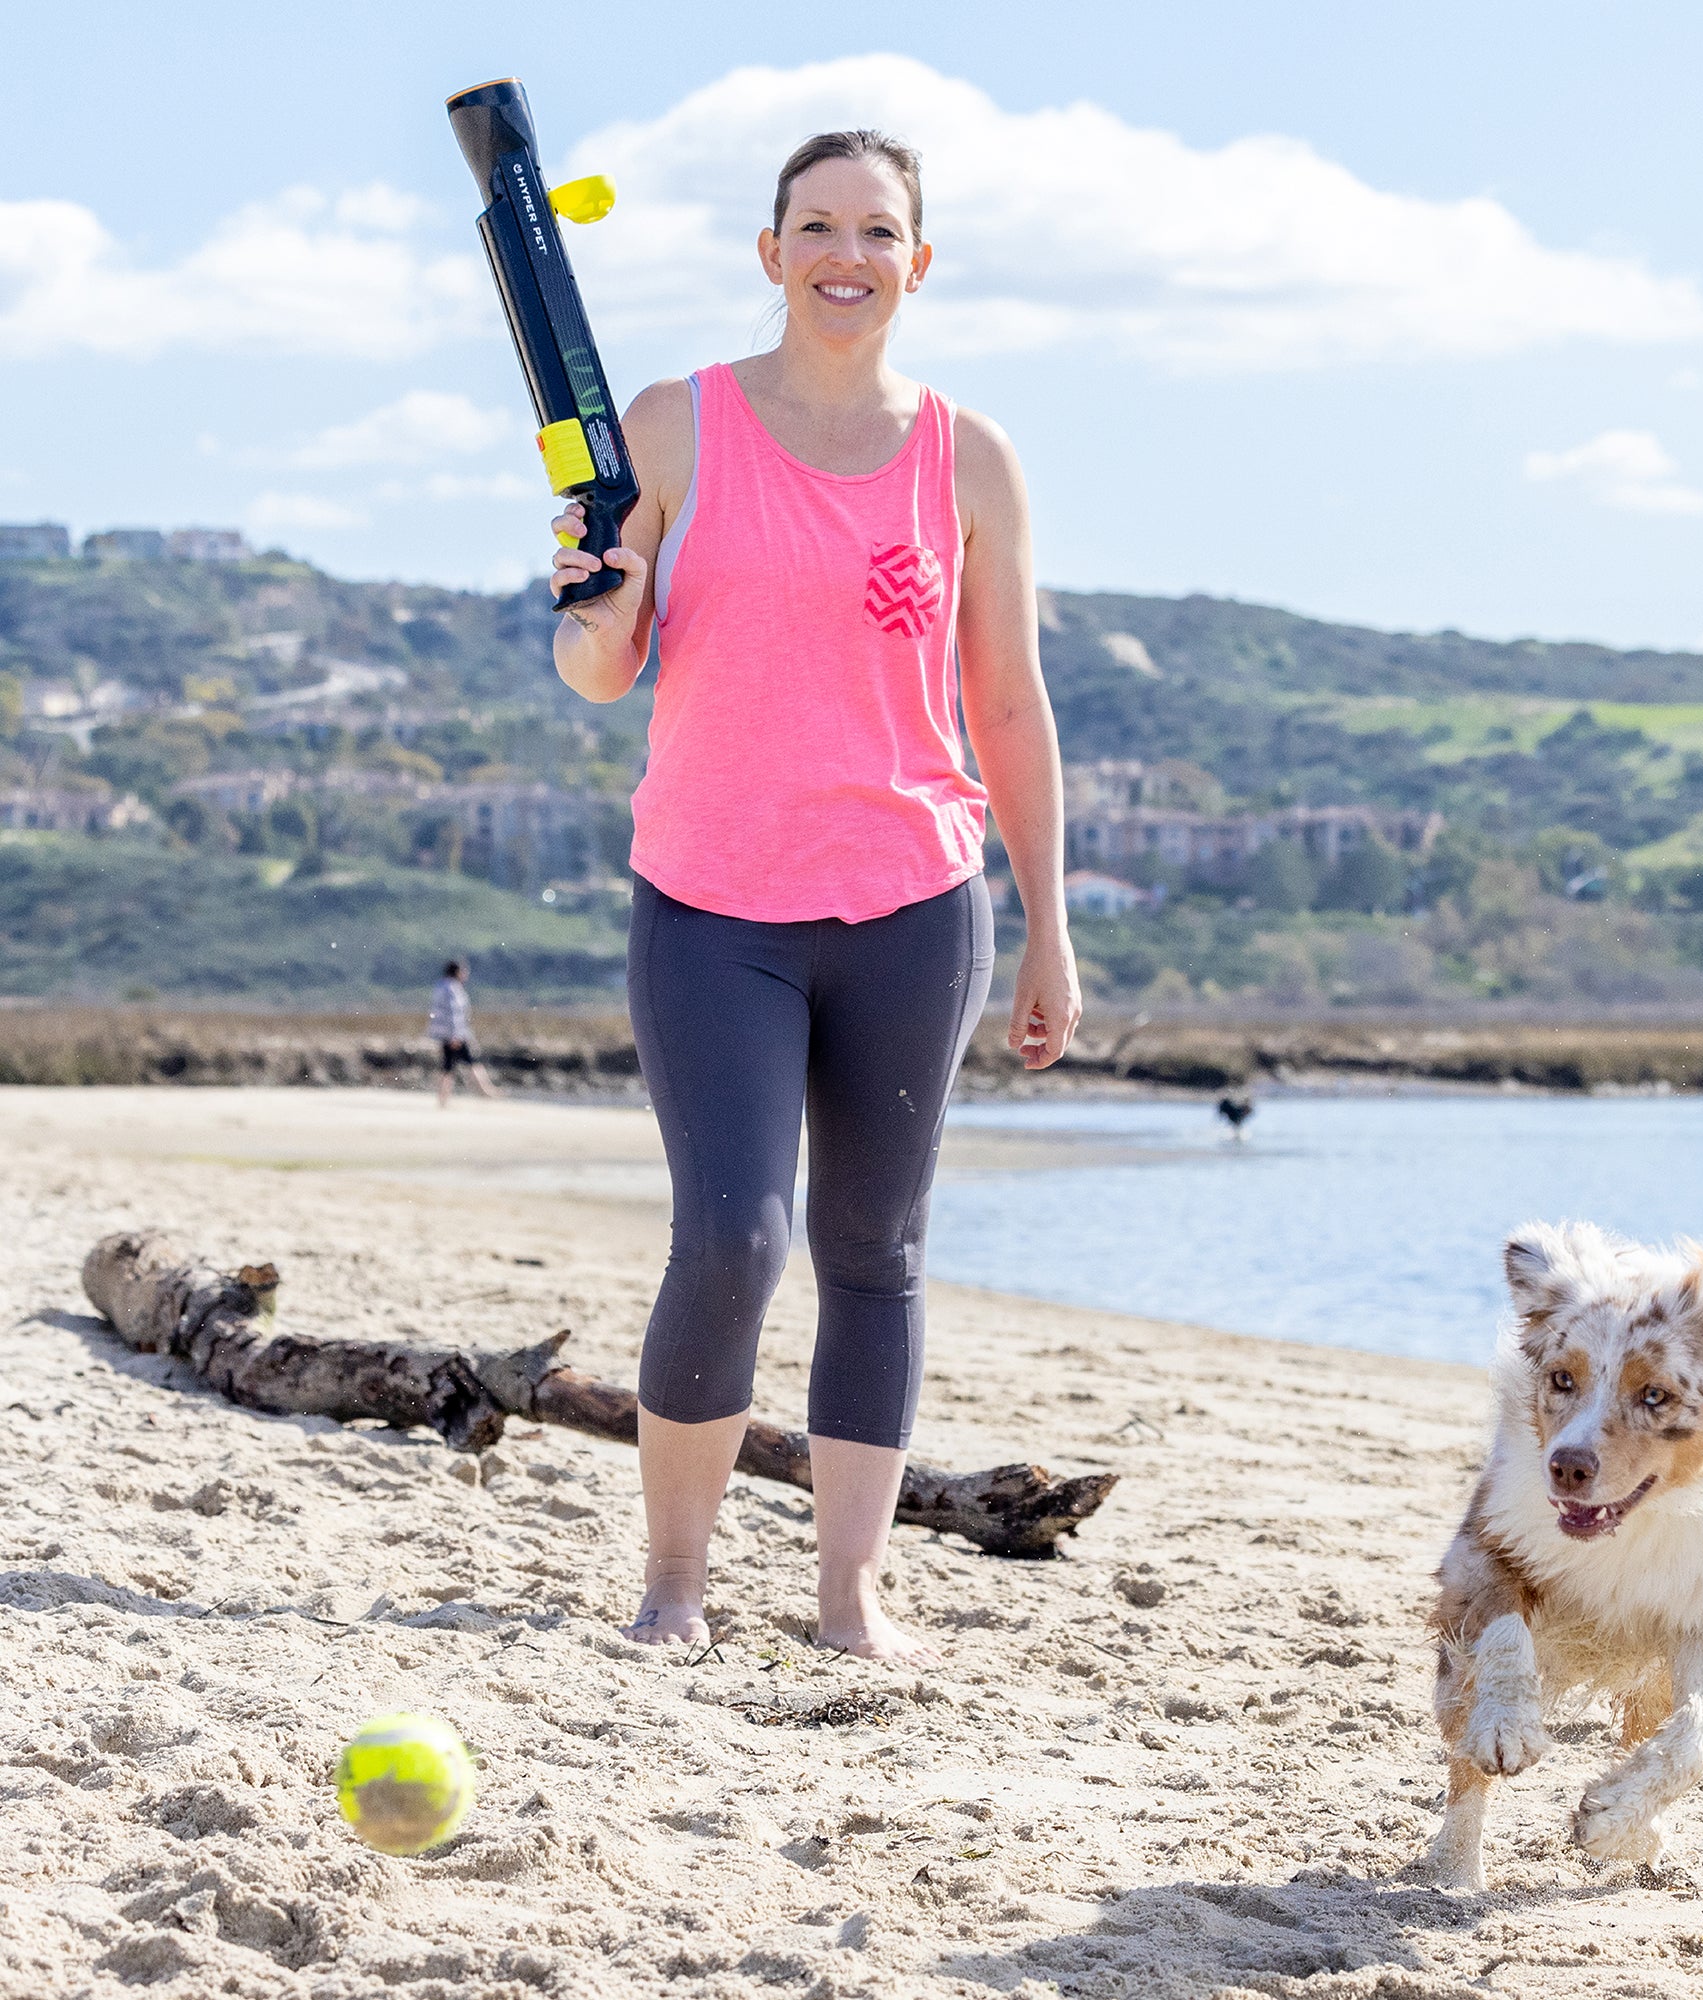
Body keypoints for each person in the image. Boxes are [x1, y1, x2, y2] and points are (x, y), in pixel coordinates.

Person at [548, 128, 1080, 1662]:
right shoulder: (673, 425)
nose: (847, 254)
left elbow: (1012, 707)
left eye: (878, 230)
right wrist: (595, 608)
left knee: (877, 1249)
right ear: (770, 250)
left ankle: (850, 1594)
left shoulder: (967, 457)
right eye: (817, 225)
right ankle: (676, 1584)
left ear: (920, 261)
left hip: (917, 900)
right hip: (715, 901)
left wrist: (1049, 925)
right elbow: (597, 672)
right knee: (730, 1238)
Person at [426, 959, 499, 1107]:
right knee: (469, 1062)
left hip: (446, 1033)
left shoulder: (440, 986)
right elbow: (454, 1013)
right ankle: (485, 1091)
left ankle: (443, 1098)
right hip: (455, 1034)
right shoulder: (451, 989)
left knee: (449, 1066)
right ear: (457, 972)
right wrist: (455, 1035)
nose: (466, 974)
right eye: (463, 971)